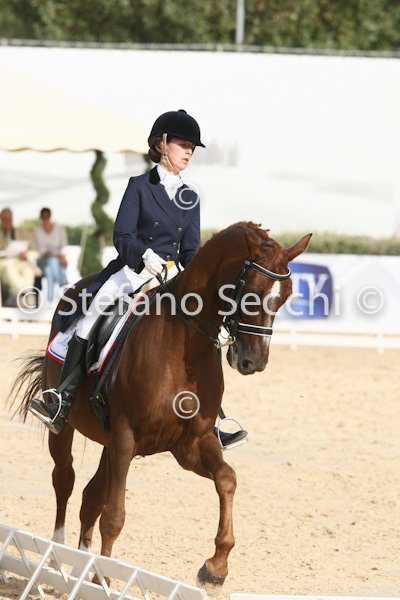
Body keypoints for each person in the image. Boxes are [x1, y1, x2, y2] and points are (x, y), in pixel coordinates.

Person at [28, 109, 247, 448]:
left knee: (206, 331)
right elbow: (122, 236)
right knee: (91, 316)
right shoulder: (139, 187)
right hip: (133, 271)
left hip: (173, 278)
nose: (188, 152)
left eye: (192, 148)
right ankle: (62, 397)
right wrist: (145, 256)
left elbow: (190, 250)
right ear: (162, 144)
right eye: (183, 145)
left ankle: (213, 419)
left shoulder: (191, 196)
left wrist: (193, 275)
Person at [0, 208, 39, 307]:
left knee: (29, 270)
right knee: (10, 267)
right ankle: (24, 295)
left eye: (9, 219)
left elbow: (35, 251)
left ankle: (20, 296)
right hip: (5, 263)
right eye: (4, 219)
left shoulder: (23, 232)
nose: (7, 221)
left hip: (22, 261)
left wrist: (26, 254)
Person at [34, 207, 68, 306]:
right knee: (53, 261)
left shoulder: (60, 230)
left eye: (47, 217)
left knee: (49, 271)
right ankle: (63, 284)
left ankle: (50, 301)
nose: (45, 219)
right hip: (43, 260)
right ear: (40, 218)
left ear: (50, 217)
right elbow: (42, 251)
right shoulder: (37, 231)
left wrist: (62, 257)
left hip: (58, 260)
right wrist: (58, 256)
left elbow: (64, 247)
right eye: (43, 217)